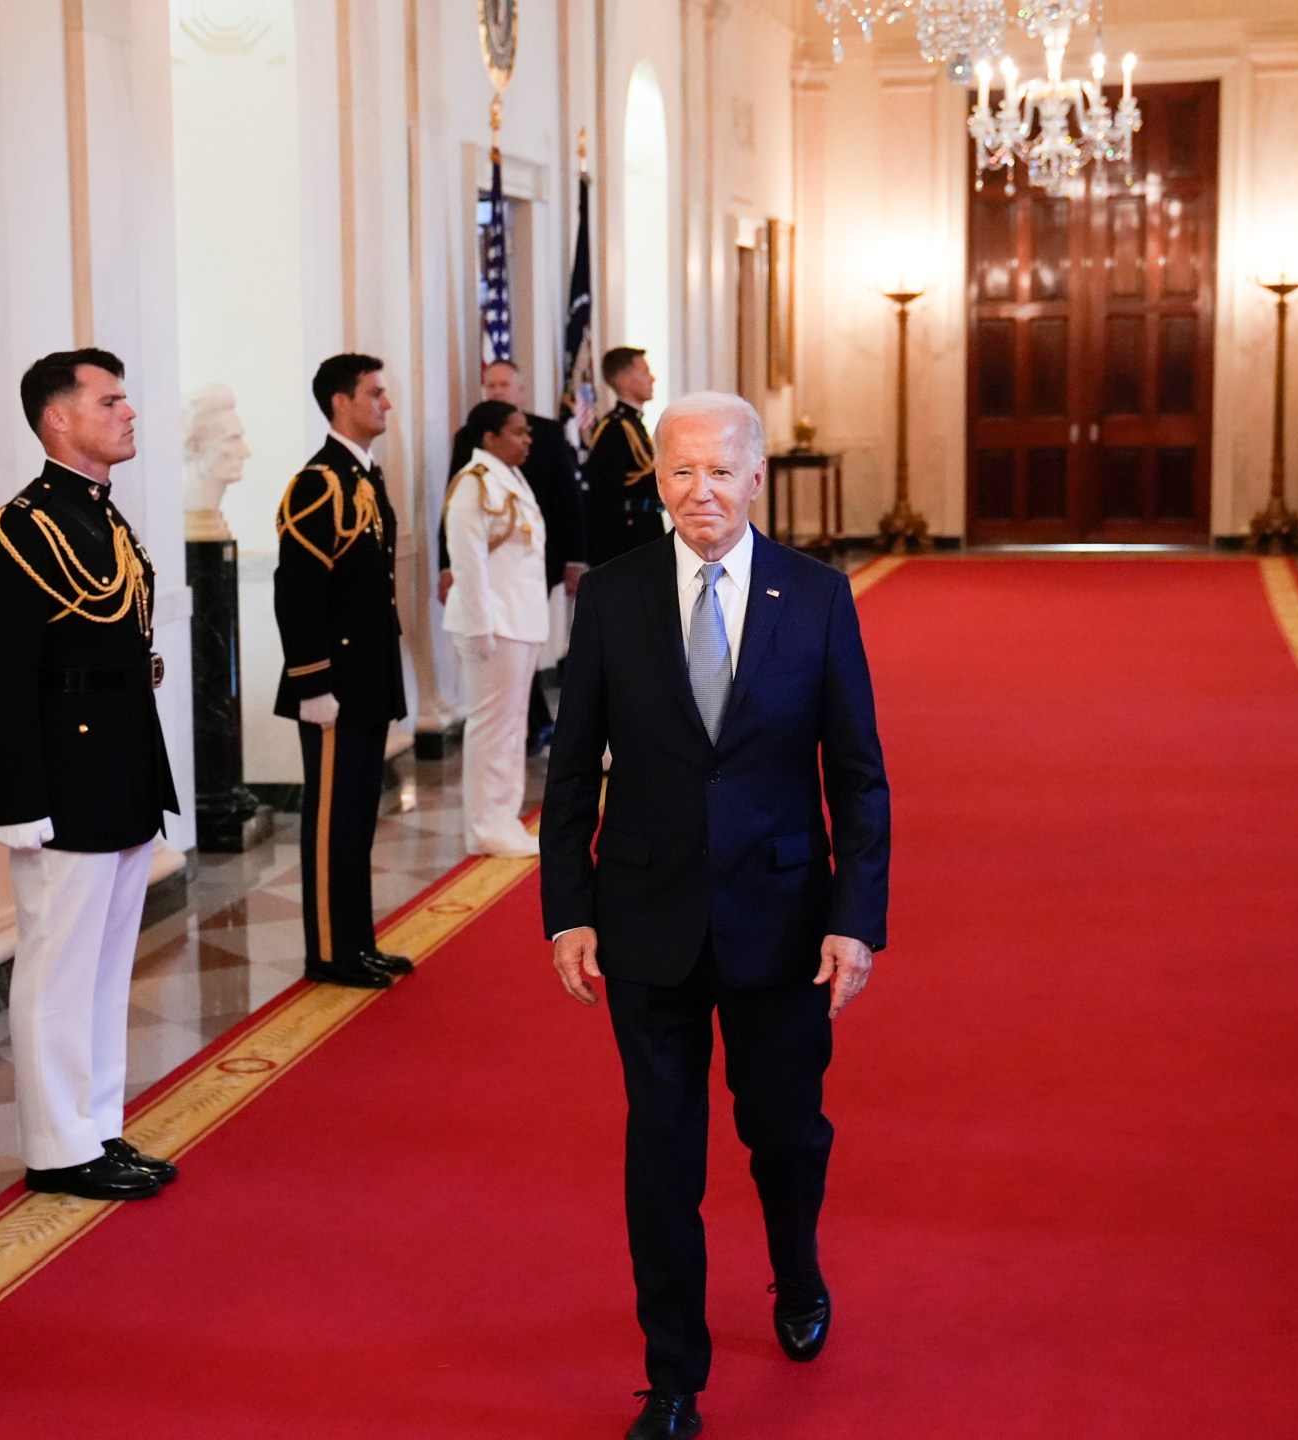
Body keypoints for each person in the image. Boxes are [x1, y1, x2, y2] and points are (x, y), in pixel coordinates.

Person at [542, 391, 890, 1440]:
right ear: (657, 479)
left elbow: (859, 776)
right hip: (644, 921)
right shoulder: (612, 594)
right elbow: (570, 772)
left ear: (755, 477)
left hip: (783, 922)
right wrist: (567, 909)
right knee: (661, 1155)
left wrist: (855, 918)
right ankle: (673, 1376)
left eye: (720, 472)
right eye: (680, 472)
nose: (701, 492)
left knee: (783, 1132)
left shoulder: (817, 596)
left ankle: (795, 1271)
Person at [0, 348, 181, 1202]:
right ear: (59, 418)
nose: (129, 413)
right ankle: (58, 1148)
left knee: (104, 967)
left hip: (118, 767)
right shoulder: (22, 531)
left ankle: (98, 1127)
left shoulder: (103, 518)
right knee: (57, 969)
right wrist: (18, 801)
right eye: (111, 400)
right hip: (63, 778)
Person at [274, 354, 411, 989]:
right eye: (375, 393)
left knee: (357, 818)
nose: (386, 403)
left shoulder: (360, 475)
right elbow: (298, 591)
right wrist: (313, 683)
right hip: (333, 684)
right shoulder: (319, 483)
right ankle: (329, 951)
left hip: (366, 678)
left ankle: (358, 942)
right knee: (332, 821)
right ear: (340, 402)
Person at [439, 359, 588, 751]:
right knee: (499, 712)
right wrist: (445, 565)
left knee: (514, 690)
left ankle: (534, 723)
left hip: (538, 562)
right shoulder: (473, 452)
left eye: (505, 384)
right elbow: (453, 509)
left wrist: (575, 558)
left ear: (520, 390)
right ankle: (536, 725)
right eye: (491, 384)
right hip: (494, 581)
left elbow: (568, 499)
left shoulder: (546, 434)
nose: (498, 390)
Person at [441, 401, 549, 855]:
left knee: (512, 725)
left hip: (517, 620)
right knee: (492, 727)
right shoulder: (474, 485)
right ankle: (486, 825)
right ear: (489, 438)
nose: (527, 440)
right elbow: (468, 566)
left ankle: (503, 817)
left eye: (527, 432)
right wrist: (482, 629)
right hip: (493, 624)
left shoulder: (509, 478)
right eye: (518, 432)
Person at [583, 347, 665, 564]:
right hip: (628, 540)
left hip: (647, 530)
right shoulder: (614, 429)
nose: (652, 378)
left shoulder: (634, 425)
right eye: (645, 371)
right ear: (624, 379)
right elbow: (605, 499)